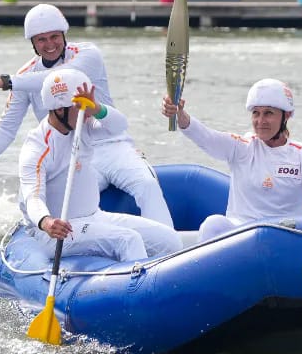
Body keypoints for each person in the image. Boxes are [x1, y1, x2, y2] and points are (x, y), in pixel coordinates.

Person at [0, 3, 174, 227]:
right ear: (33, 44)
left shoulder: (87, 54)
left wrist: (6, 82)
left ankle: (169, 244)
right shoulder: (24, 76)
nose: (49, 45)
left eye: (54, 36)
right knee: (68, 208)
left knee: (147, 185)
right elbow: (7, 127)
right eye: (41, 40)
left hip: (112, 145)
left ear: (64, 35)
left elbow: (60, 77)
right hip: (74, 155)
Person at [20, 70, 181, 260]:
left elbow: (119, 125)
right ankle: (139, 286)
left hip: (94, 217)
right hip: (56, 231)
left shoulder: (83, 125)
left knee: (169, 239)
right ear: (59, 109)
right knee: (128, 240)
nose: (86, 114)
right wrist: (46, 222)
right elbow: (33, 197)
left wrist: (97, 109)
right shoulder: (37, 148)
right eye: (80, 107)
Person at [161, 78, 302, 241]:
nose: (260, 121)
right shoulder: (241, 147)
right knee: (213, 224)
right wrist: (179, 114)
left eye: (268, 113)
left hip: (286, 234)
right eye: (256, 113)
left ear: (286, 115)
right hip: (242, 235)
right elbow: (206, 137)